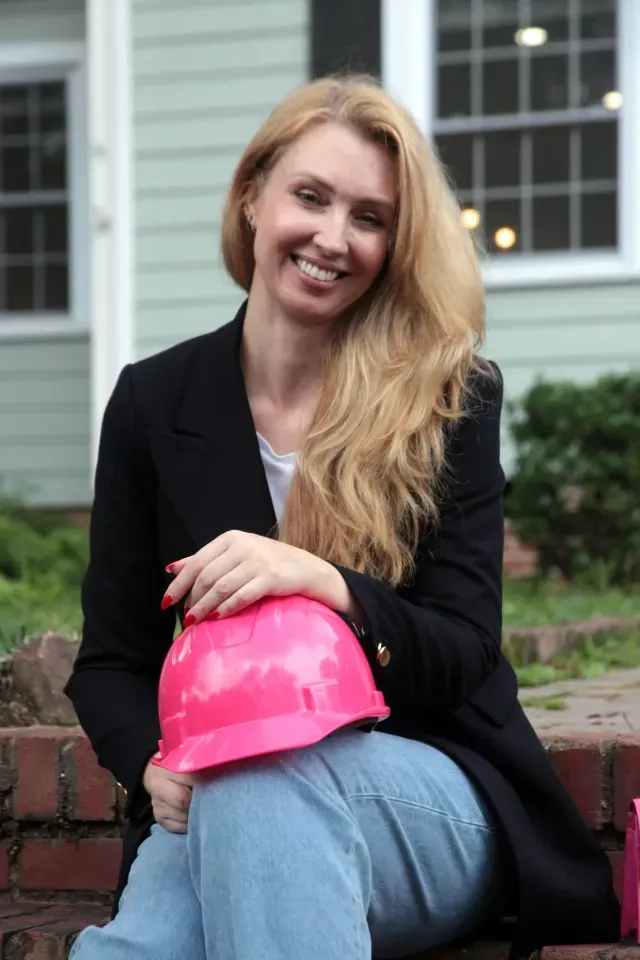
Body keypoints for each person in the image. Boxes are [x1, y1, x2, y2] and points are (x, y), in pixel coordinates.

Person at [66, 74, 619, 960]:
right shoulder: (153, 401)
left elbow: (464, 650)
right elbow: (112, 661)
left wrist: (327, 583)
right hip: (216, 788)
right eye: (310, 197)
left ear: (395, 246)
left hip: (427, 790)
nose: (333, 237)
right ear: (253, 197)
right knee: (144, 944)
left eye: (369, 217)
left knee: (261, 769)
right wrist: (146, 765)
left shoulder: (448, 397)